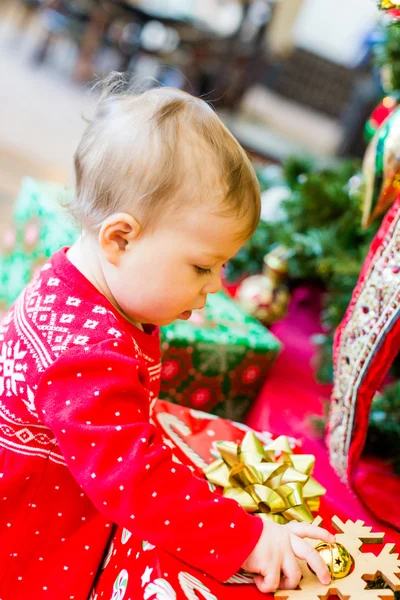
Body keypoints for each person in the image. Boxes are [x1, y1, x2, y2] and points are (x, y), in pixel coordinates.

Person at [0, 79, 334, 599]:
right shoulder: (84, 355)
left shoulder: (85, 283)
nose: (216, 287)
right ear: (121, 238)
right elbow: (133, 480)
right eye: (202, 266)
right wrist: (249, 539)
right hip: (32, 543)